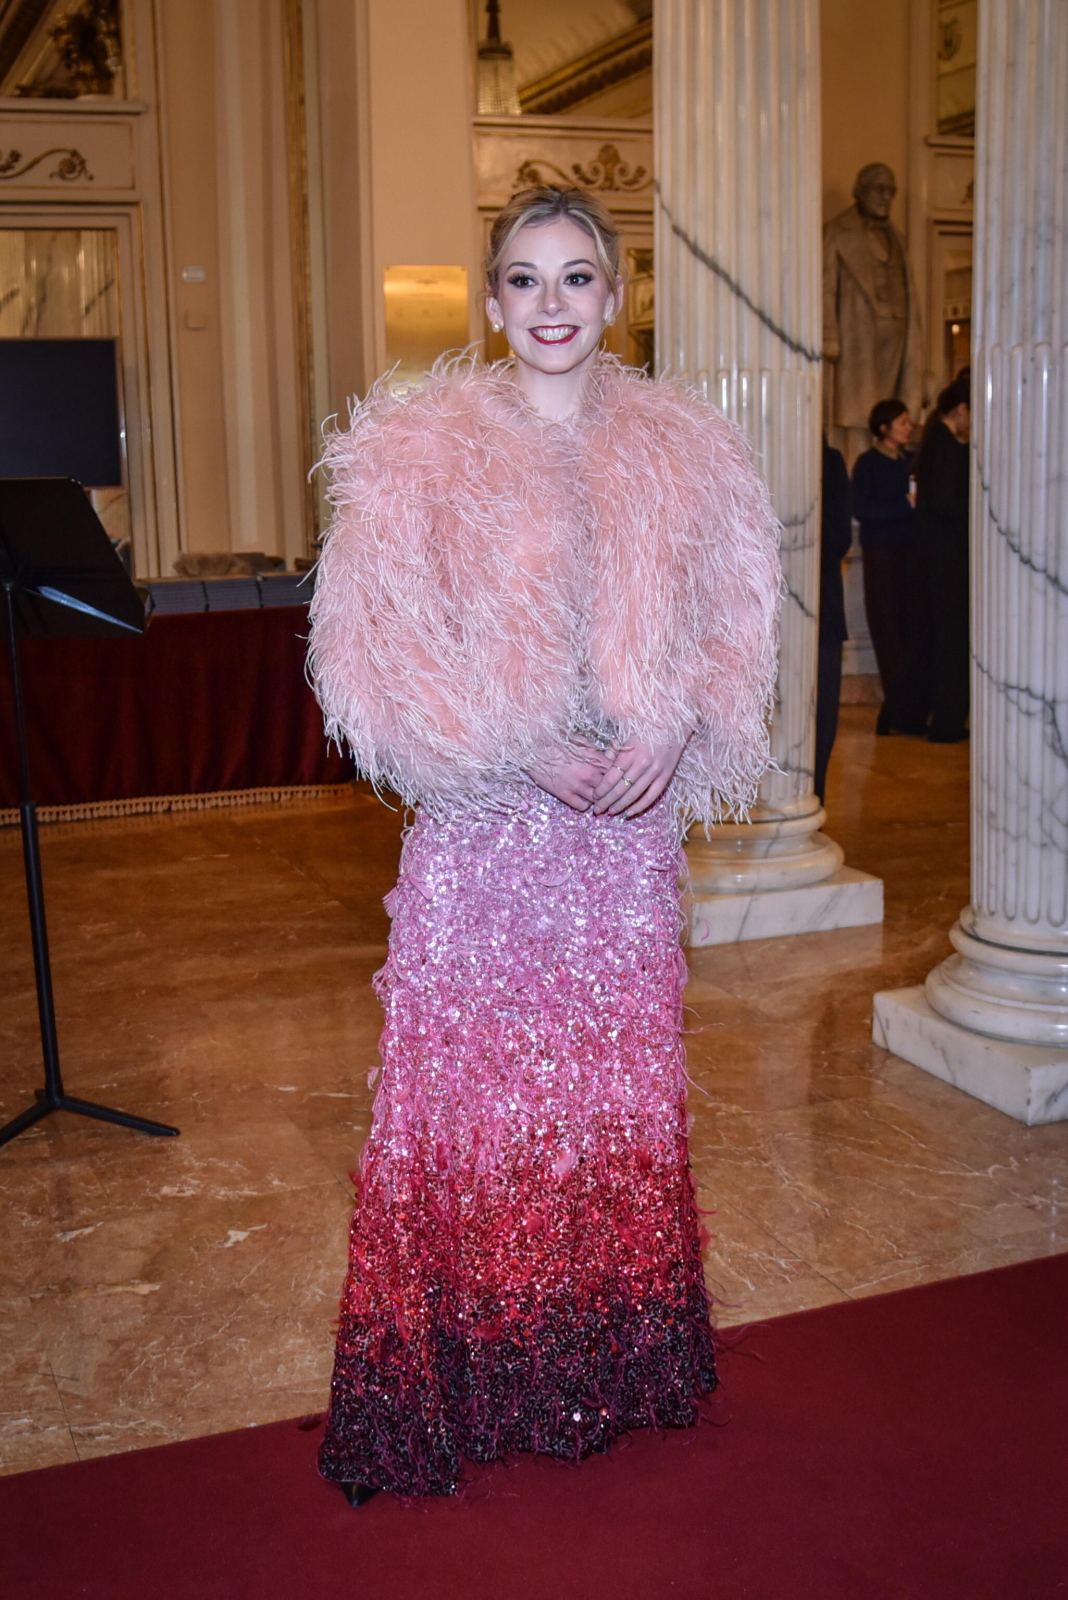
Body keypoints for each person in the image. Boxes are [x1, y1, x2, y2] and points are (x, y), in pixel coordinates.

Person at [307, 186, 781, 1503]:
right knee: (472, 1095)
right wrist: (515, 744)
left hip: (620, 836)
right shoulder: (420, 451)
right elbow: (371, 649)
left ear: (617, 297)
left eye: (577, 277)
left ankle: (605, 1367)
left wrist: (677, 723)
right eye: (526, 278)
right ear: (491, 298)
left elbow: (735, 627)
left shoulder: (690, 452)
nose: (552, 304)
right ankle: (473, 1378)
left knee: (607, 1091)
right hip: (485, 828)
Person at [896, 375, 971, 743]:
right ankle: (945, 723)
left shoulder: (939, 441)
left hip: (936, 556)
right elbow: (943, 502)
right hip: (943, 559)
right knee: (949, 640)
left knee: (932, 638)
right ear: (961, 410)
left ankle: (910, 715)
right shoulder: (944, 444)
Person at [851, 398, 921, 734]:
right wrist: (904, 506)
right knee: (886, 626)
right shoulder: (868, 463)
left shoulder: (911, 460)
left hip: (912, 553)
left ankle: (914, 706)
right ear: (884, 427)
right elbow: (863, 510)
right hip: (881, 552)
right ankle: (899, 706)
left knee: (911, 625)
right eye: (902, 422)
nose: (909, 427)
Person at [816, 439, 851, 803]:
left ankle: (812, 809)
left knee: (820, 725)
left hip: (819, 609)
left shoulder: (828, 460)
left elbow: (839, 538)